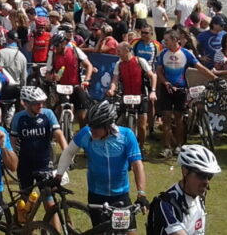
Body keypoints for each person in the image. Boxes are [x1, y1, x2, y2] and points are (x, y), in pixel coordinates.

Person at [54, 101, 148, 229]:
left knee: (129, 232)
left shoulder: (126, 135)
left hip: (120, 195)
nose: (91, 130)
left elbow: (137, 165)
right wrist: (59, 175)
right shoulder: (86, 133)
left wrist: (141, 193)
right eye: (90, 125)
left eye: (96, 127)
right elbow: (68, 152)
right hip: (96, 195)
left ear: (108, 126)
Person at [155, 30, 216, 158]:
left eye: (167, 40)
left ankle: (179, 146)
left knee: (179, 119)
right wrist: (165, 82)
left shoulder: (186, 53)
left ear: (174, 40)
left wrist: (215, 78)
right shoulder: (163, 53)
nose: (164, 42)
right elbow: (159, 71)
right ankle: (166, 147)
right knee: (166, 118)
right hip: (166, 89)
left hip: (181, 89)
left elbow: (200, 68)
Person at [146, 145, 221, 235]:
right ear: (185, 171)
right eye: (201, 175)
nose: (206, 182)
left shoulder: (199, 195)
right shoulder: (166, 203)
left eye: (209, 176)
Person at [11, 86, 66, 191]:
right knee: (25, 197)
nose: (40, 105)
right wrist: (11, 159)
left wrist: (67, 152)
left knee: (48, 195)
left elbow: (58, 133)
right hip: (25, 164)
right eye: (36, 103)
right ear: (26, 104)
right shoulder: (18, 118)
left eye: (42, 102)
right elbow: (12, 141)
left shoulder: (48, 114)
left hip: (45, 163)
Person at [108, 42, 158, 151]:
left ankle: (141, 147)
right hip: (126, 95)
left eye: (119, 51)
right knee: (118, 121)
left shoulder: (140, 61)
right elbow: (114, 80)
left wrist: (153, 91)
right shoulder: (119, 64)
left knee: (142, 126)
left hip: (141, 95)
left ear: (127, 50)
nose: (117, 53)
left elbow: (153, 76)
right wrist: (112, 89)